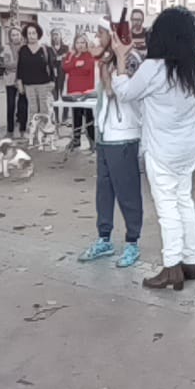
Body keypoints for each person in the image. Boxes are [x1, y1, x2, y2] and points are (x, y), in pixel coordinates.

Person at [109, 7, 195, 291]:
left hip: (161, 148)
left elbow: (125, 92)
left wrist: (119, 58)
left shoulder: (154, 68)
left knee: (167, 207)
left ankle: (172, 267)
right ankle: (190, 262)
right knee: (184, 201)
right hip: (188, 145)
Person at [79, 30, 145, 269]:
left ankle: (132, 242)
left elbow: (119, 92)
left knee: (127, 192)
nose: (96, 39)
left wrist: (110, 64)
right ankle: (104, 238)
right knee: (104, 191)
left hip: (124, 136)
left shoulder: (131, 59)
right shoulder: (106, 60)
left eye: (101, 34)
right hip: (105, 135)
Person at [16, 22, 55, 135]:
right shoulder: (23, 50)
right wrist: (19, 82)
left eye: (34, 33)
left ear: (38, 35)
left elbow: (51, 66)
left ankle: (45, 132)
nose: (31, 35)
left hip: (44, 83)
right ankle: (33, 132)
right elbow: (20, 67)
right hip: (29, 84)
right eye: (29, 33)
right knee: (32, 109)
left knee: (44, 108)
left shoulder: (45, 49)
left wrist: (52, 81)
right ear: (26, 35)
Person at [63, 32, 97, 151]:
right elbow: (65, 68)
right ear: (74, 43)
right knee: (76, 117)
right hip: (73, 91)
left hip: (86, 91)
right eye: (78, 42)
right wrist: (76, 64)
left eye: (82, 42)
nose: (80, 45)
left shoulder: (89, 55)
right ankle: (76, 140)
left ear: (86, 43)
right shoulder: (71, 55)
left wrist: (75, 66)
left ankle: (92, 141)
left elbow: (88, 68)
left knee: (89, 117)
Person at [0, 27, 27, 137]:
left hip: (23, 79)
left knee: (23, 106)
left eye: (17, 34)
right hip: (10, 80)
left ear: (21, 35)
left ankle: (23, 130)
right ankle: (10, 130)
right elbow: (6, 64)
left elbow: (26, 63)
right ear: (10, 37)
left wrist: (15, 65)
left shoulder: (25, 48)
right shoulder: (6, 48)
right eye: (13, 35)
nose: (15, 37)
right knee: (10, 105)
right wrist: (19, 64)